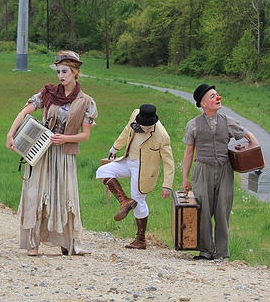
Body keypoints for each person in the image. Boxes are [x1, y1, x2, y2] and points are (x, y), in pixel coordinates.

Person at [6, 50, 97, 256]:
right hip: (41, 152)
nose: (61, 76)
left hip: (64, 154)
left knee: (64, 195)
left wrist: (66, 138)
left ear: (75, 72)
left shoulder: (85, 101)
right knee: (36, 193)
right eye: (58, 71)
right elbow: (24, 111)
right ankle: (32, 242)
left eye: (65, 71)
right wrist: (11, 134)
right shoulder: (48, 93)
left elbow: (85, 136)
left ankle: (70, 243)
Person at [182, 84, 258, 260]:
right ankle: (205, 251)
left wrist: (254, 152)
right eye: (212, 96)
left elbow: (248, 135)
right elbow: (188, 153)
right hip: (202, 170)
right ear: (203, 103)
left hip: (225, 169)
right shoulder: (193, 125)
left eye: (217, 95)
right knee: (203, 210)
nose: (217, 98)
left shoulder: (228, 121)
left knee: (222, 210)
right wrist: (185, 178)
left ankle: (222, 252)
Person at [95, 104, 174, 249]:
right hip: (128, 159)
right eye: (143, 126)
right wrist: (115, 148)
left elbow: (169, 161)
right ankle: (124, 201)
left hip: (144, 168)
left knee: (138, 199)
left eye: (148, 127)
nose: (145, 129)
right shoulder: (135, 115)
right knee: (102, 171)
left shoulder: (162, 135)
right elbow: (127, 131)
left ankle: (141, 239)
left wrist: (167, 185)